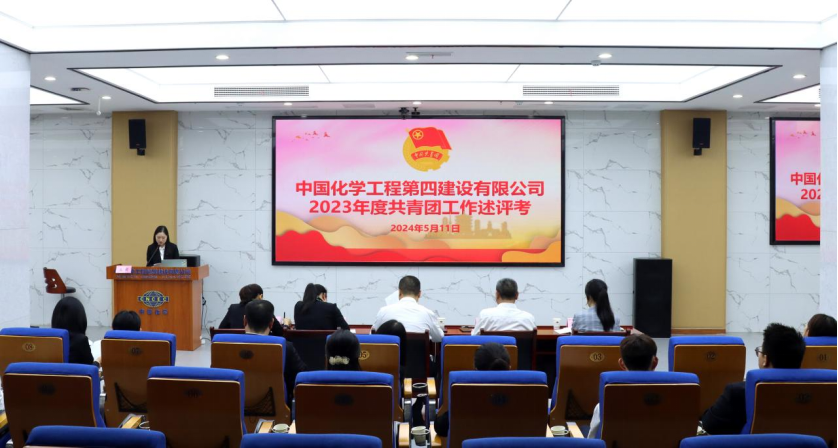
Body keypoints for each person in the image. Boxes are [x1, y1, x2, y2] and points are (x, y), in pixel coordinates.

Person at [701, 323, 806, 435]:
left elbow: (708, 424)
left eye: (760, 351)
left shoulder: (738, 392)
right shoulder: (809, 393)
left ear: (765, 359)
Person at [588, 334, 659, 439]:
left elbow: (593, 438)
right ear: (655, 362)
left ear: (621, 363)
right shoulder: (675, 399)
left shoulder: (605, 403)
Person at [434, 343, 512, 437]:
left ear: (475, 370)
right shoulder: (525, 395)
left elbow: (440, 427)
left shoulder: (467, 397)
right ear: (509, 367)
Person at [243, 300, 308, 396]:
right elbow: (303, 378)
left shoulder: (224, 344)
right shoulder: (285, 347)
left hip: (234, 403)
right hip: (275, 404)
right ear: (271, 324)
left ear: (244, 320)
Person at [372, 276, 444, 343]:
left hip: (391, 353)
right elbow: (439, 338)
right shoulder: (428, 313)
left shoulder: (383, 312)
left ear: (399, 293)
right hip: (417, 353)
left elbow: (372, 336)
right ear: (419, 294)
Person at [471, 278, 536, 335]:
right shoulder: (529, 318)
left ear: (497, 294)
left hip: (493, 346)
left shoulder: (485, 315)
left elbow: (475, 338)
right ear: (517, 295)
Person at [51, 296, 95, 365]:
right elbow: (90, 368)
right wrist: (98, 362)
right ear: (80, 318)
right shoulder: (81, 341)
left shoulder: (49, 339)